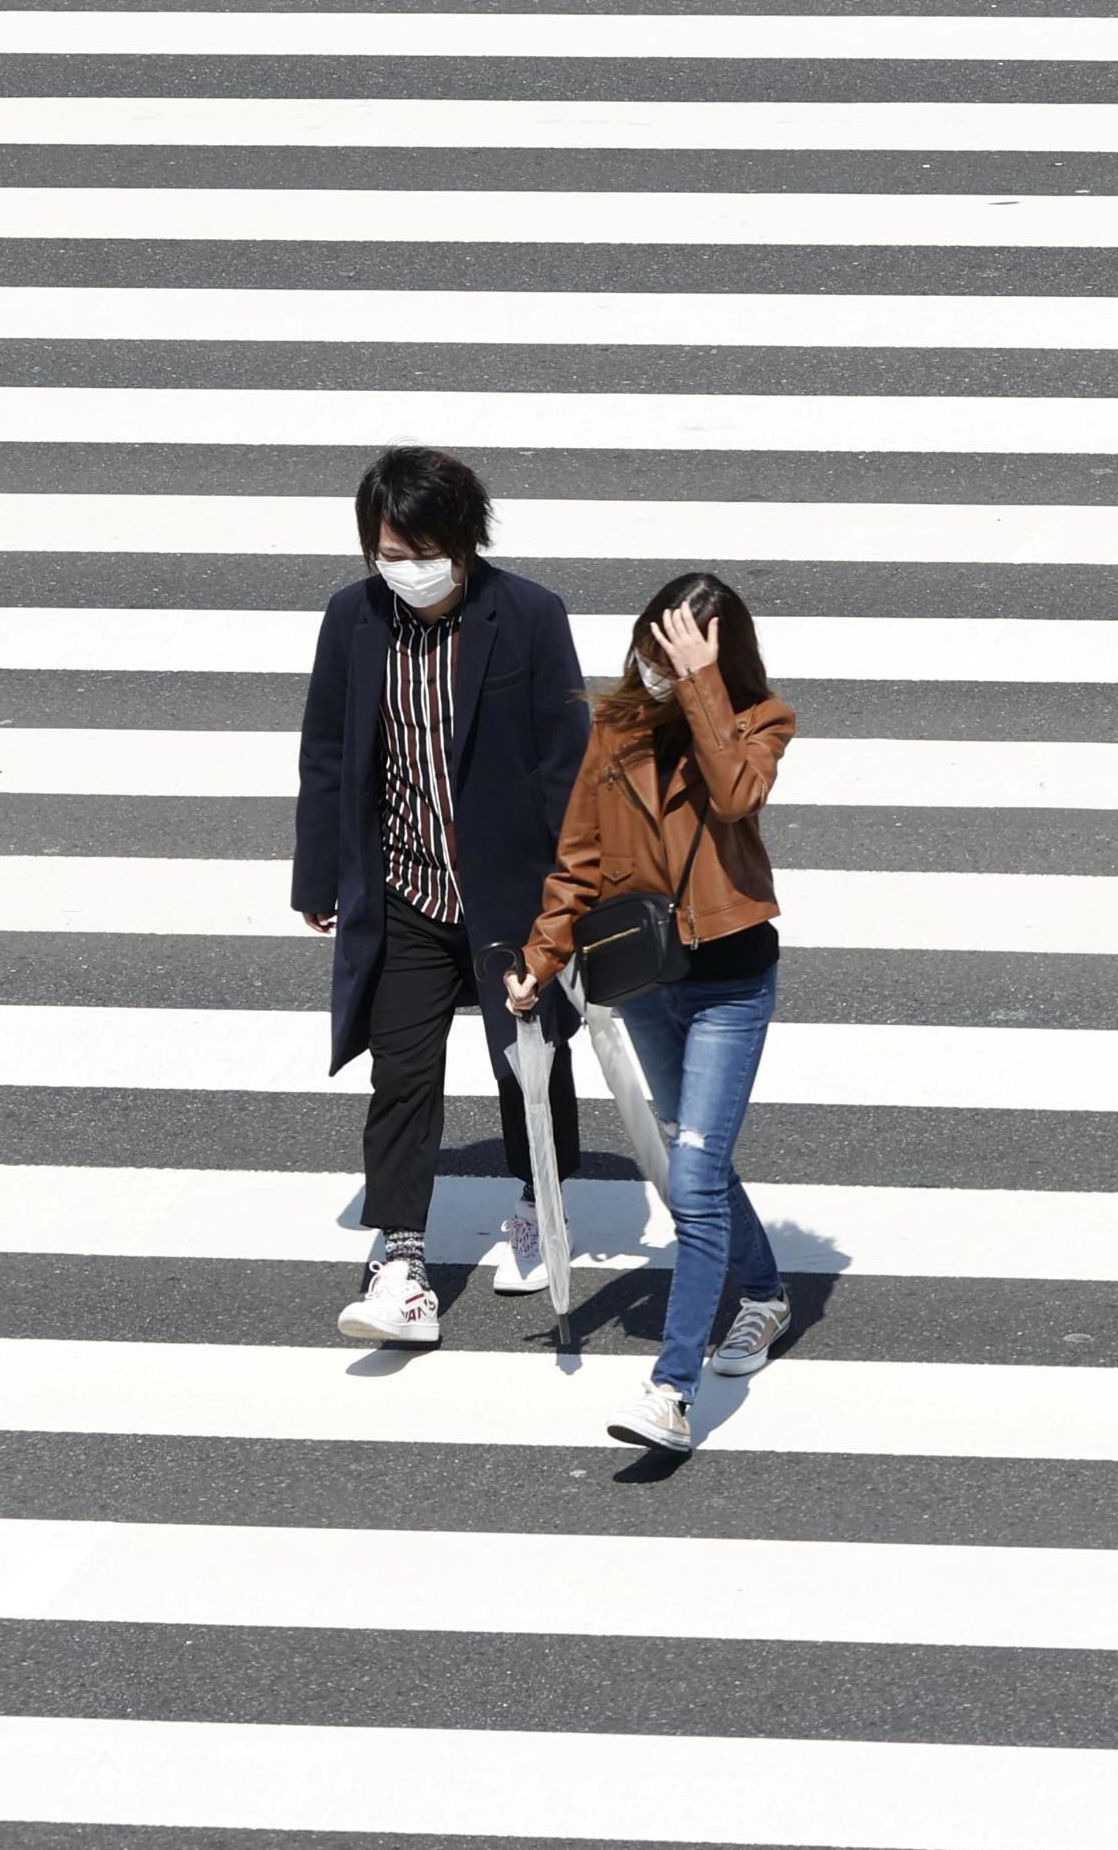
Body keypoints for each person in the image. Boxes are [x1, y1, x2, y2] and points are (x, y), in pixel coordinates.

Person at [290, 445, 591, 1346]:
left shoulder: (529, 616)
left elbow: (564, 762)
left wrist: (571, 903)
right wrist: (318, 873)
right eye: (389, 551)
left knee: (527, 1059)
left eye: (423, 551)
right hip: (405, 888)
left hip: (509, 898)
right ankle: (402, 1260)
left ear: (464, 543)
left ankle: (541, 1204)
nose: (406, 569)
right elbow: (329, 750)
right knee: (403, 1069)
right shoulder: (352, 618)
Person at [510, 572, 797, 1455]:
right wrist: (541, 955)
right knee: (689, 1160)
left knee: (696, 1177)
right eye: (650, 644)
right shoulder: (617, 727)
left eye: (676, 649)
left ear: (715, 653)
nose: (655, 662)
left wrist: (704, 686)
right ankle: (765, 1293)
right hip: (646, 977)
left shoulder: (759, 721)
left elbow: (739, 795)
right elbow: (580, 859)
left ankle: (671, 1391)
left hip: (732, 983)